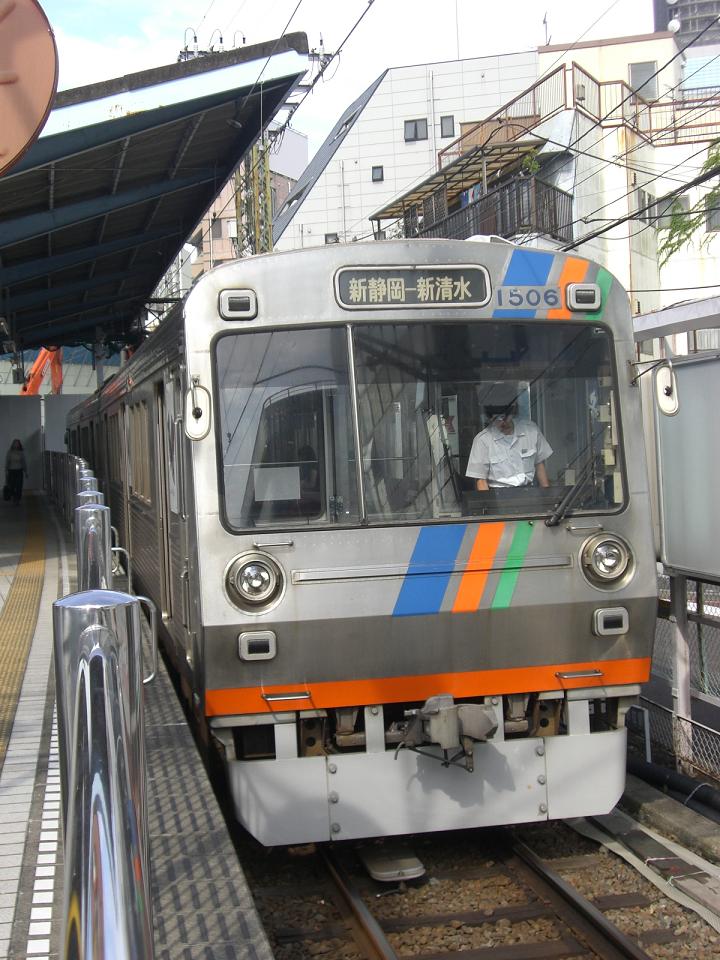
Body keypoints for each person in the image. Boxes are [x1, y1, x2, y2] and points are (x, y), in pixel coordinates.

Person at [465, 403, 552, 491]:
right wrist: (488, 500)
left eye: (504, 417)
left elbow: (539, 465)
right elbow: (481, 481)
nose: (502, 422)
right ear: (490, 419)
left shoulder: (531, 431)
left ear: (512, 413)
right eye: (497, 419)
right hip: (498, 494)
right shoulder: (482, 440)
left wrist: (546, 494)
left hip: (528, 491)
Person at [5, 438, 28, 505]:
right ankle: (14, 496)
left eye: (17, 443)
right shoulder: (10, 452)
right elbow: (7, 462)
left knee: (19, 486)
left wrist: (26, 471)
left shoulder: (21, 452)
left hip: (19, 471)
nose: (16, 445)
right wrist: (6, 470)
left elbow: (23, 462)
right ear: (13, 444)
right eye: (15, 443)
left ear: (19, 445)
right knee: (11, 486)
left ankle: (17, 499)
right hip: (11, 471)